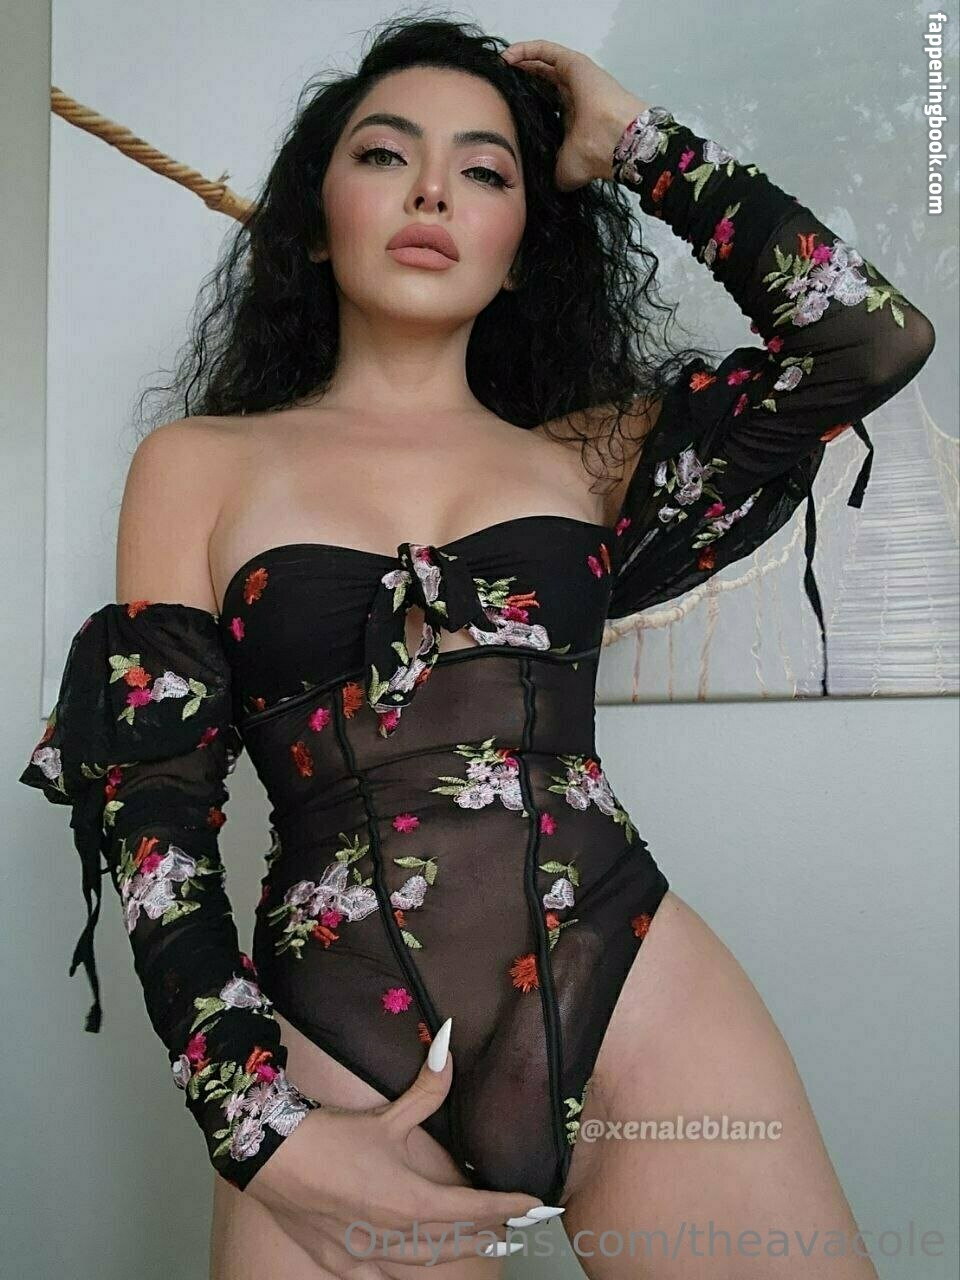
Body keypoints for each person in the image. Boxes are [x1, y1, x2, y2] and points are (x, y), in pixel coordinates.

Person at [19, 16, 934, 1280]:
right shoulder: (197, 465)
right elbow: (154, 816)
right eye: (385, 154)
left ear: (518, 251)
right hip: (342, 1046)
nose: (434, 191)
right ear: (316, 219)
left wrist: (633, 141)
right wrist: (259, 1126)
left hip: (630, 993)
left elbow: (869, 336)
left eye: (486, 169)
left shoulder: (589, 457)